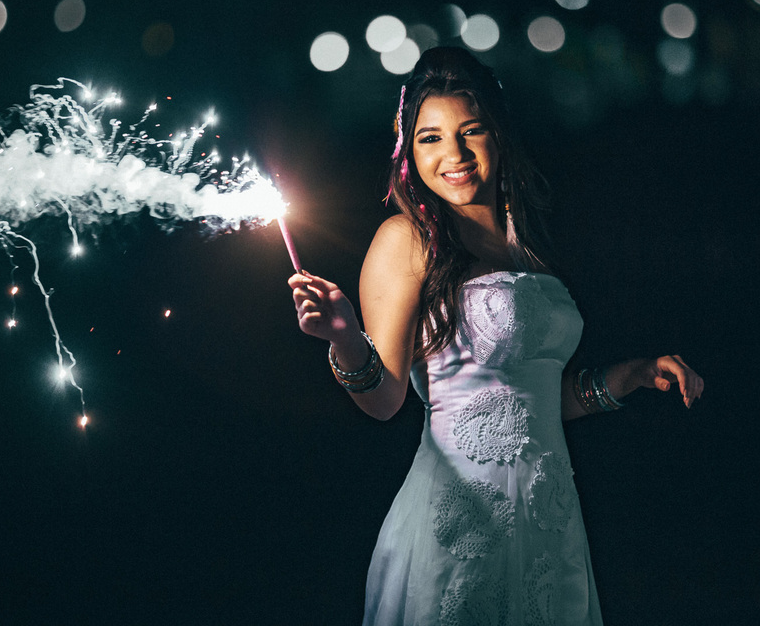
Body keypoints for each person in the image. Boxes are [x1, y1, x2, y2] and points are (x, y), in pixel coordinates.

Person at [288, 46, 703, 624]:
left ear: (498, 136)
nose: (453, 154)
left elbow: (529, 401)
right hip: (458, 524)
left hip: (549, 523)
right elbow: (384, 401)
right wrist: (343, 338)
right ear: (409, 150)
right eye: (430, 137)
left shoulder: (527, 240)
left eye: (470, 131)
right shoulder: (407, 241)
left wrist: (628, 376)